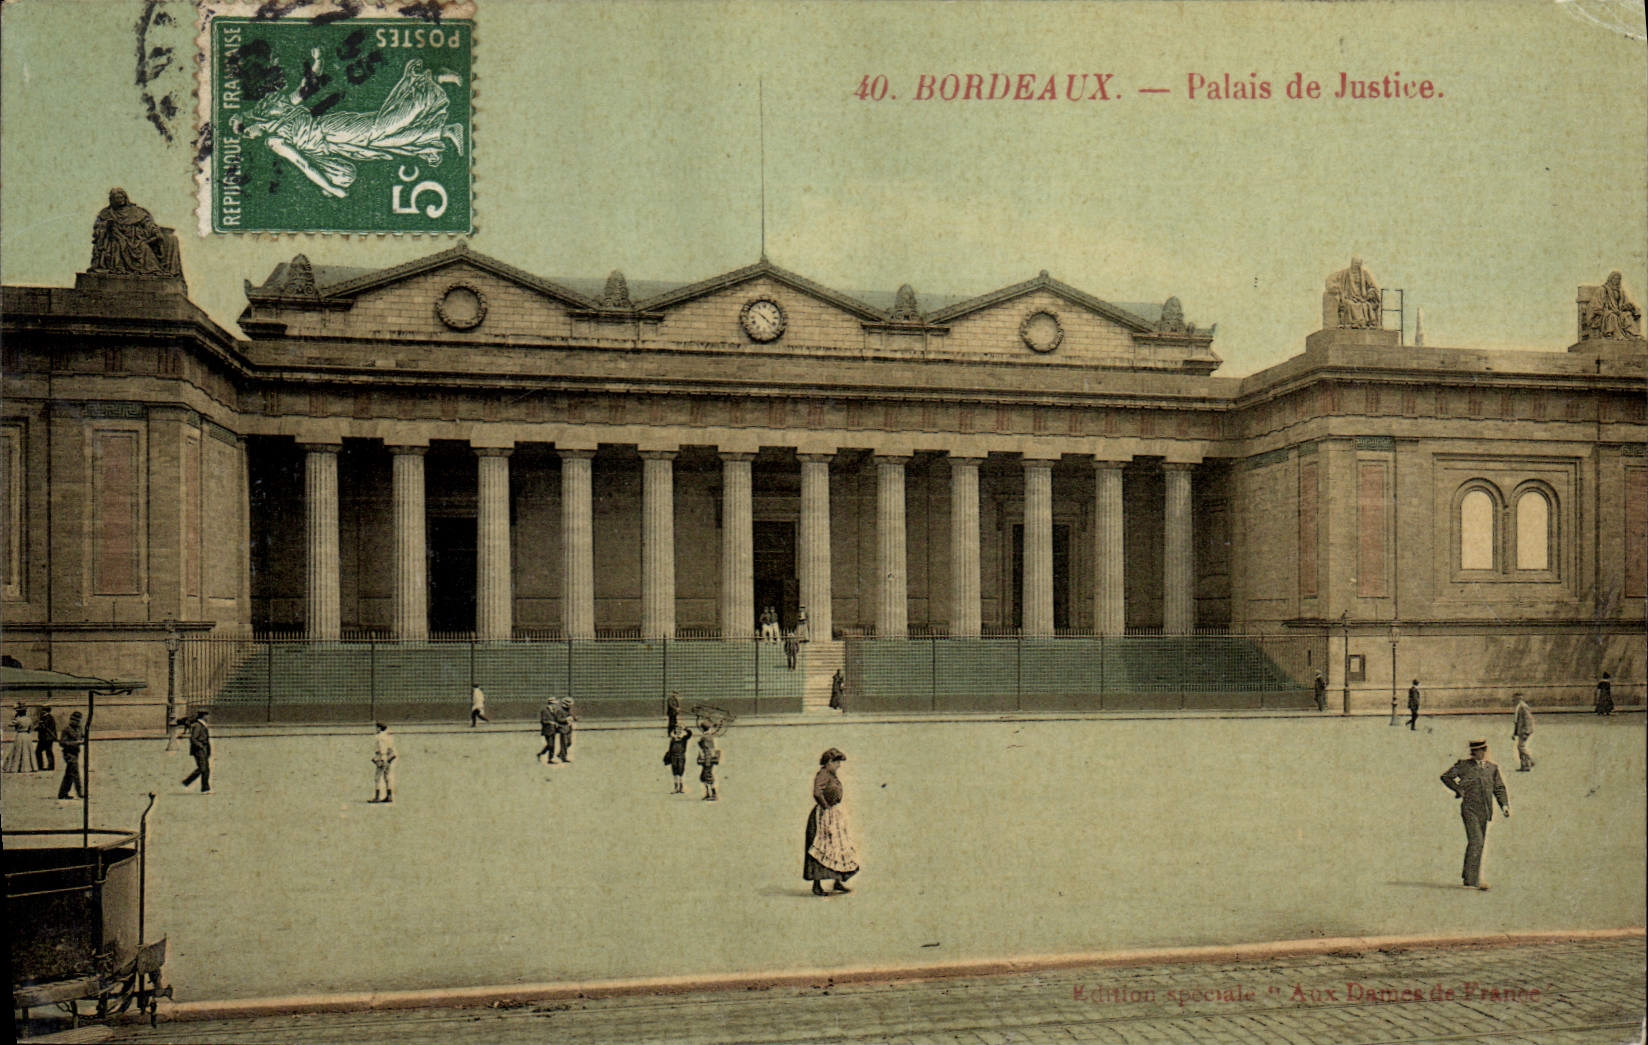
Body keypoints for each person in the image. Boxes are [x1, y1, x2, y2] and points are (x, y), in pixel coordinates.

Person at [233, 52, 464, 200]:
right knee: (385, 142)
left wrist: (317, 64)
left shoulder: (274, 134)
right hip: (336, 147)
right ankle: (445, 131)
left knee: (382, 127)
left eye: (245, 132)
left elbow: (303, 163)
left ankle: (429, 80)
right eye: (245, 136)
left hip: (330, 130)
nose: (249, 137)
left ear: (251, 122)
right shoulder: (272, 134)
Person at [1439, 739, 1510, 890]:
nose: (1479, 754)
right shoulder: (1464, 765)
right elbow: (1446, 777)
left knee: (1478, 843)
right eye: (1476, 751)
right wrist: (1458, 790)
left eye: (1481, 751)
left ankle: (1468, 875)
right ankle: (1473, 880)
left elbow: (1499, 788)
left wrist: (1504, 805)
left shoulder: (1492, 768)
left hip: (1485, 810)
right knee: (1476, 841)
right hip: (1469, 809)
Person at [90, 188, 182, 278]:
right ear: (112, 200)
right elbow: (97, 229)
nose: (120, 200)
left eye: (121, 197)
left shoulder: (136, 211)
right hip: (116, 238)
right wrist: (106, 225)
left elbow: (148, 223)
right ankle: (120, 269)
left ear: (125, 198)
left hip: (136, 239)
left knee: (144, 247)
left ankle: (153, 270)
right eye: (117, 198)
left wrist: (155, 231)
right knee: (117, 245)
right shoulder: (106, 213)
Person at [805, 748, 860, 897]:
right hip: (823, 816)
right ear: (829, 762)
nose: (839, 765)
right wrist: (826, 807)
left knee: (837, 846)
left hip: (833, 814)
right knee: (821, 847)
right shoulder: (823, 774)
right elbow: (817, 792)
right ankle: (817, 885)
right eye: (837, 762)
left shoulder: (831, 775)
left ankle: (837, 881)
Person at [181, 709, 212, 793]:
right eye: (207, 715)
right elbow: (193, 738)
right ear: (203, 716)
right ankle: (187, 781)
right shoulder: (198, 726)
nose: (208, 717)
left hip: (203, 748)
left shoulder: (202, 725)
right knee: (203, 768)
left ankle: (205, 788)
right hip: (199, 750)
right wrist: (201, 746)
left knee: (206, 769)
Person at [57, 711, 86, 800]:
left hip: (76, 752)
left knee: (69, 774)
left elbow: (82, 736)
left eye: (77, 720)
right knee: (75, 773)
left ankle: (63, 793)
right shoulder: (66, 730)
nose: (75, 722)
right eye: (73, 720)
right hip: (68, 753)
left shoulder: (79, 728)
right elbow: (62, 743)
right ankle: (80, 792)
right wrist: (75, 743)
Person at [3, 702, 34, 773]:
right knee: (27, 751)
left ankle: (15, 767)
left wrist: (15, 717)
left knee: (18, 751)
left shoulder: (18, 719)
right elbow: (31, 728)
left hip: (20, 735)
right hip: (27, 736)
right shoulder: (29, 719)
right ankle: (29, 767)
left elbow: (10, 724)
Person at [370, 722, 397, 803]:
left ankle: (377, 797)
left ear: (379, 728)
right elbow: (390, 749)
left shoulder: (379, 737)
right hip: (388, 757)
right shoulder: (388, 737)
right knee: (387, 777)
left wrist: (379, 759)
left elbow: (381, 749)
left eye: (377, 727)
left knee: (377, 778)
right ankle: (389, 796)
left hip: (381, 757)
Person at [663, 725, 693, 794]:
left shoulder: (684, 738)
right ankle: (676, 787)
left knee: (681, 771)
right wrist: (669, 757)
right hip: (673, 756)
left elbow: (690, 734)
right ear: (675, 731)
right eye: (677, 729)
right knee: (675, 772)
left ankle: (681, 787)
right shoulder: (673, 739)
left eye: (680, 729)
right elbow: (670, 749)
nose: (678, 731)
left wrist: (686, 728)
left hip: (681, 756)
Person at [1511, 694, 1535, 772]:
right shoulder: (1519, 707)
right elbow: (1517, 721)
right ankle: (1525, 765)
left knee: (1521, 747)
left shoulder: (1523, 707)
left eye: (1514, 699)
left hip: (1524, 730)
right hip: (1521, 730)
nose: (1513, 700)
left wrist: (1526, 731)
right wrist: (1514, 733)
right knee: (1520, 747)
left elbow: (1528, 720)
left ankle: (1530, 762)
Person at [697, 731, 721, 801]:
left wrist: (703, 761)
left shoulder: (708, 750)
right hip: (706, 764)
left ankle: (713, 794)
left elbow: (706, 758)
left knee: (708, 778)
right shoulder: (707, 749)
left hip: (707, 765)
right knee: (703, 778)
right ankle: (708, 793)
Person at [34, 704, 57, 772]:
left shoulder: (47, 718)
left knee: (41, 751)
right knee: (47, 751)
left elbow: (44, 727)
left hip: (46, 738)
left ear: (45, 711)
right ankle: (50, 766)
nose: (41, 711)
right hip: (46, 738)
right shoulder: (48, 717)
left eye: (43, 710)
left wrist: (37, 727)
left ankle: (43, 766)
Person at [554, 698, 576, 763]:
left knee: (569, 742)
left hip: (569, 728)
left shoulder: (568, 710)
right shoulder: (559, 710)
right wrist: (566, 720)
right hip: (562, 728)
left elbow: (571, 716)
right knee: (564, 743)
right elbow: (558, 719)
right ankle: (563, 757)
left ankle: (561, 754)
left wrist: (574, 718)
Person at [537, 699, 557, 764]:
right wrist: (550, 722)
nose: (555, 705)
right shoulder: (544, 710)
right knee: (550, 745)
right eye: (554, 704)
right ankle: (540, 753)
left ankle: (550, 759)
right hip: (547, 730)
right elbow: (543, 721)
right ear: (551, 704)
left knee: (553, 745)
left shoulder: (554, 711)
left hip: (553, 730)